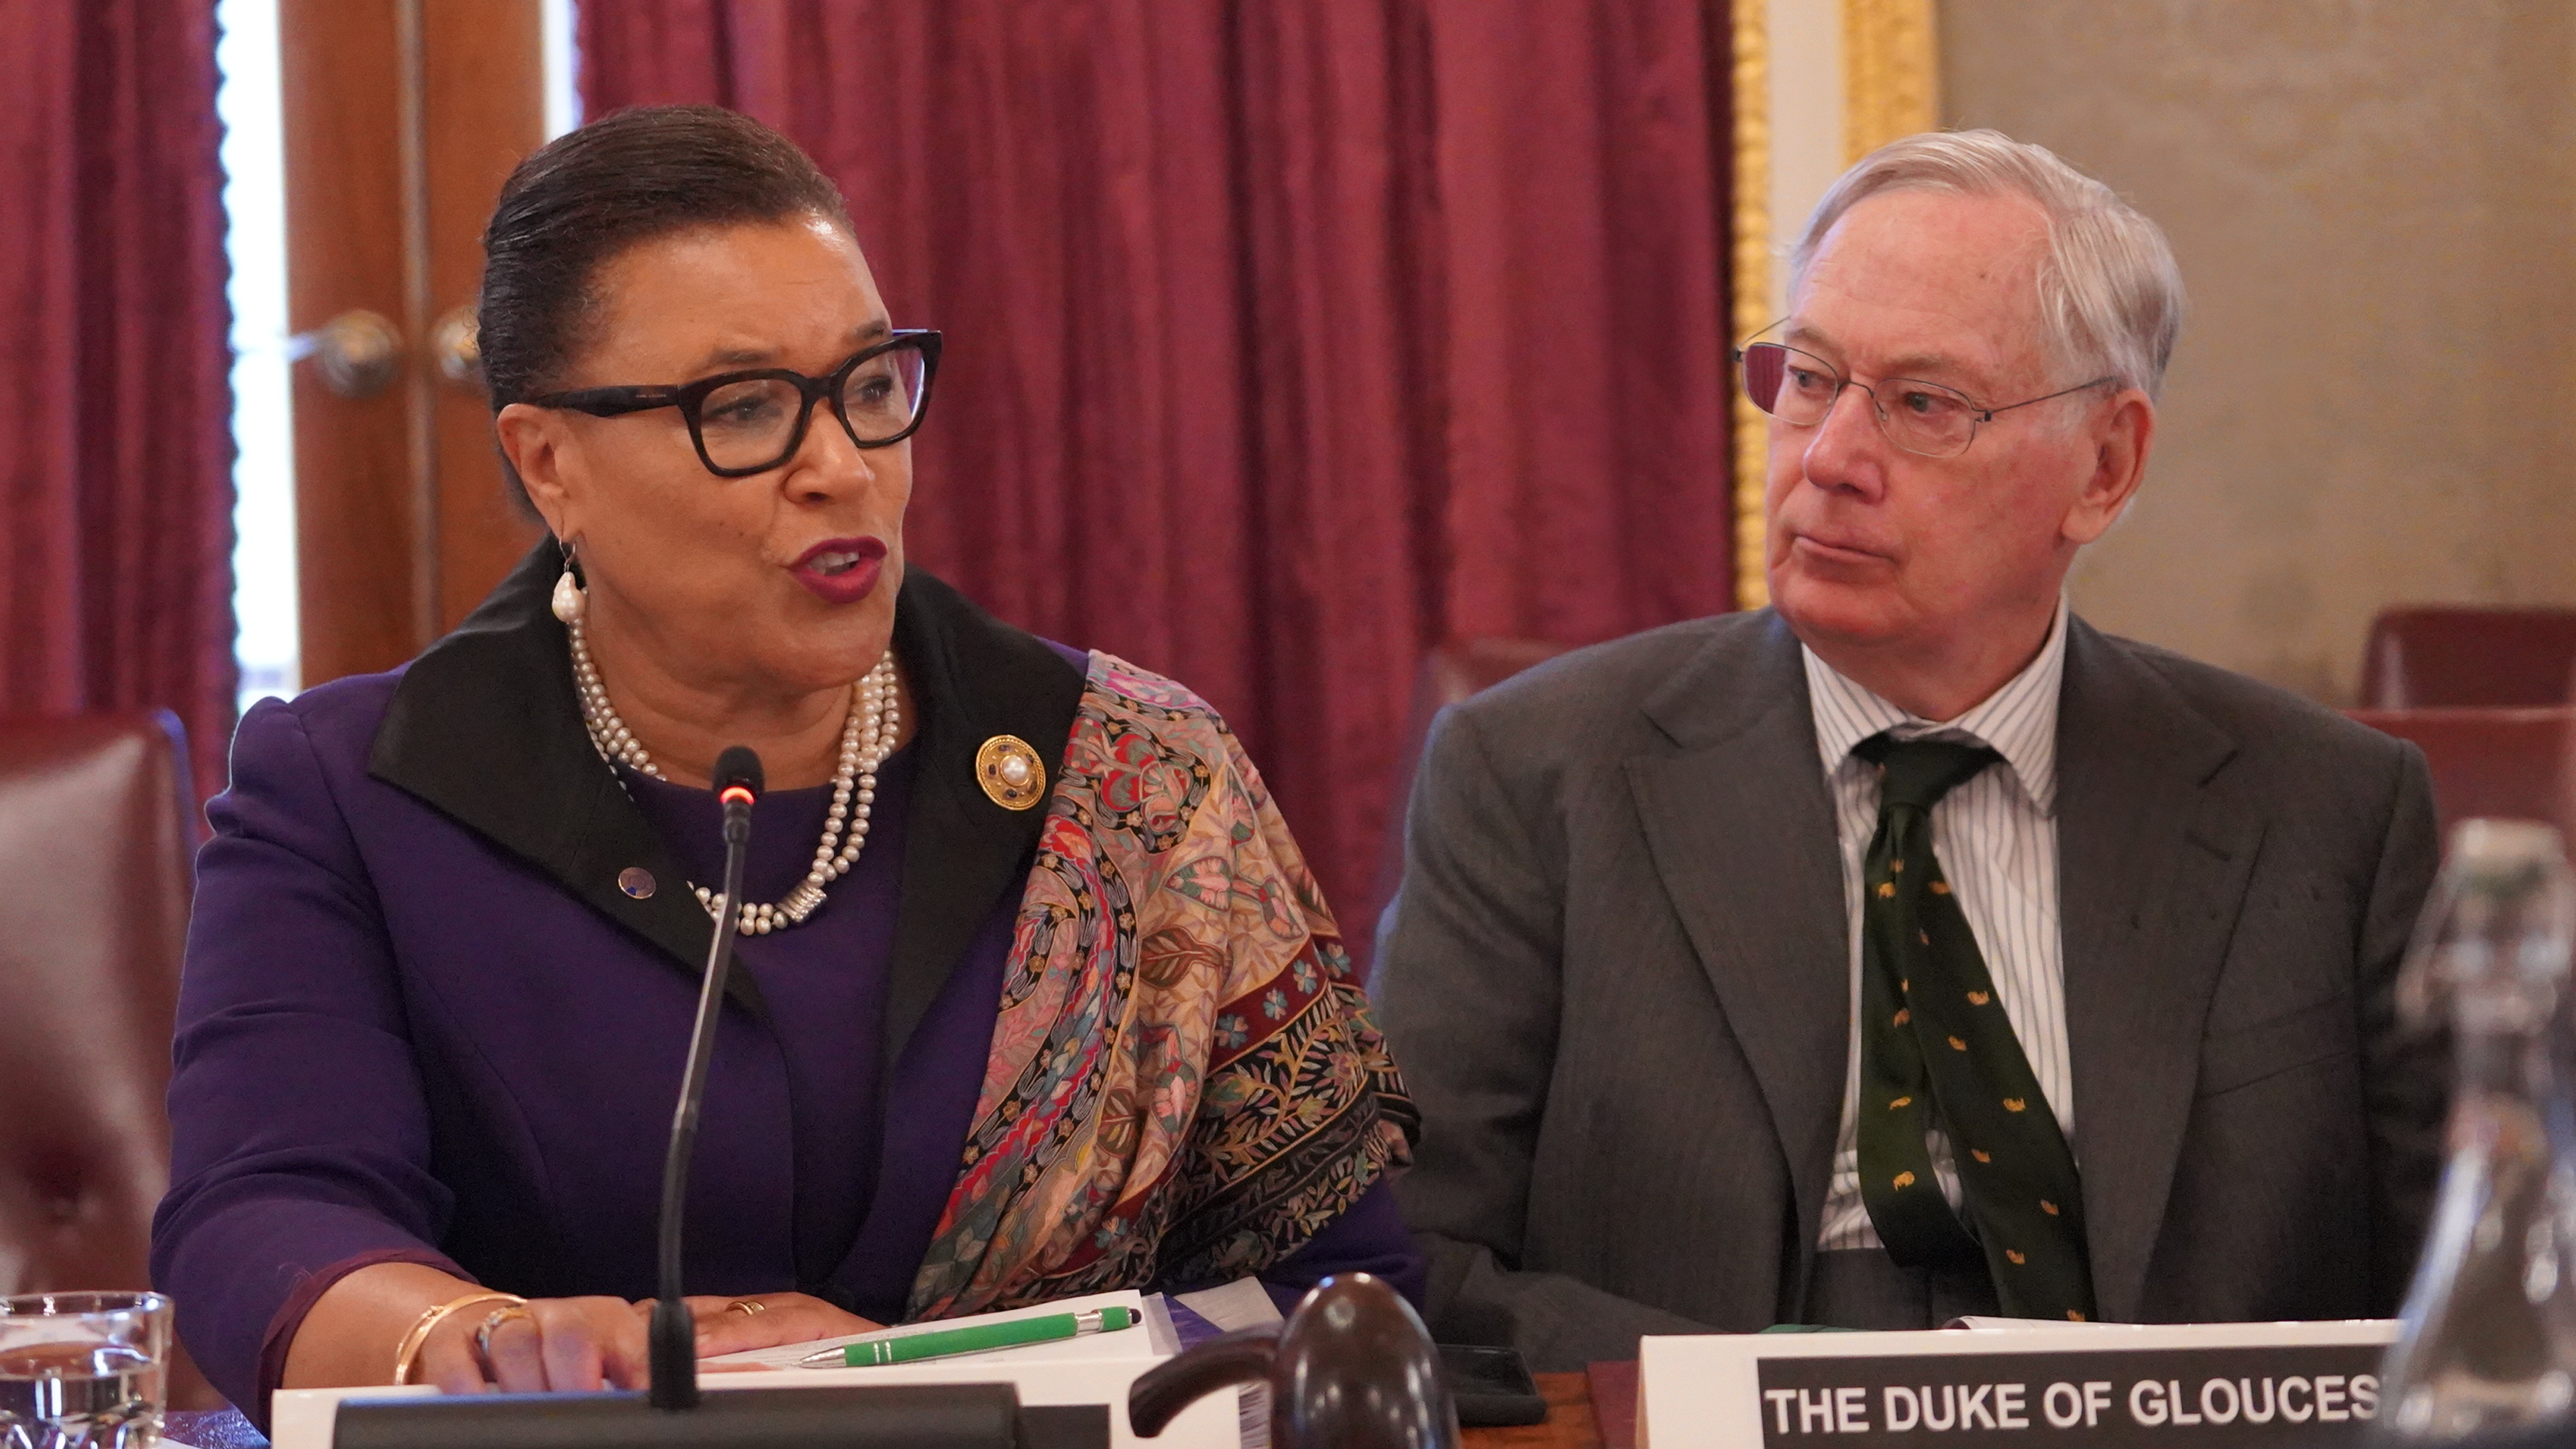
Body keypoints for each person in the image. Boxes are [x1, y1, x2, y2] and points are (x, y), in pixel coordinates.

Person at [152, 105, 1418, 1423]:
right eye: (744, 409)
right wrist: (483, 1343)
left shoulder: (1142, 781)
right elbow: (266, 1216)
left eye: (870, 388)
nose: (843, 468)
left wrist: (934, 1385)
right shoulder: (357, 793)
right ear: (550, 461)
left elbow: (1340, 1290)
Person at [1372, 129, 2445, 1368]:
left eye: (1926, 404)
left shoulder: (2326, 813)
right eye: (1810, 378)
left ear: (2104, 467)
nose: (1827, 460)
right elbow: (1416, 1263)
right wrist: (1766, 1401)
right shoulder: (1534, 777)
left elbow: (2471, 1290)